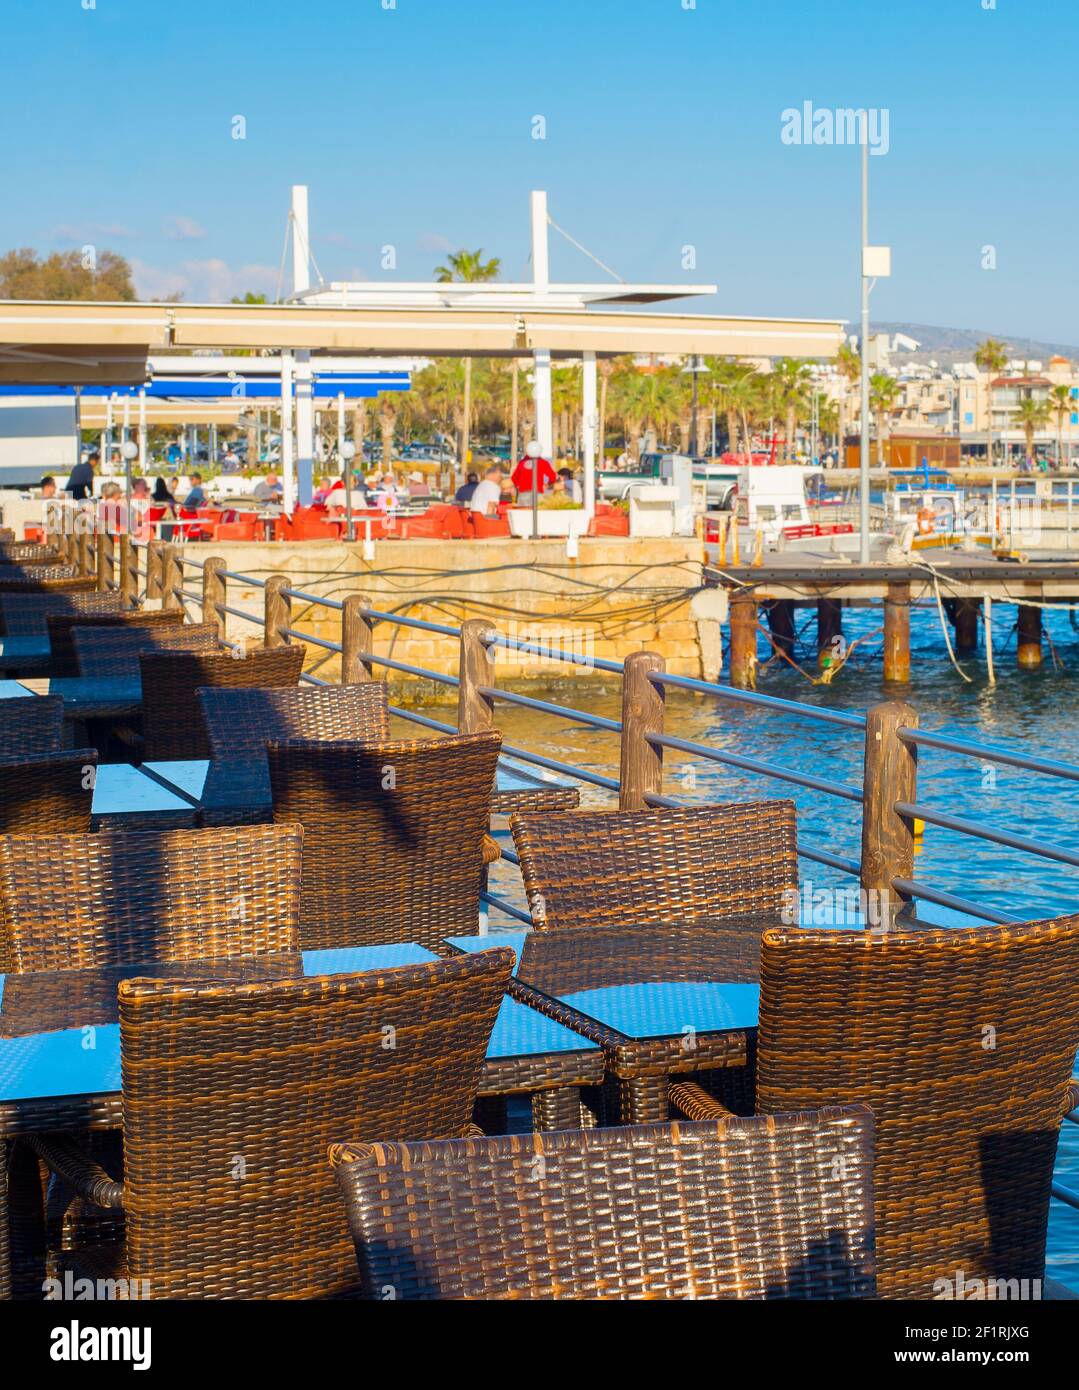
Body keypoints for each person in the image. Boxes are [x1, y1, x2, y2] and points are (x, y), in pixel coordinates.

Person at [511, 442, 556, 507]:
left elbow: (514, 478)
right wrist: (548, 485)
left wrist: (518, 485)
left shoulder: (521, 463)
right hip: (538, 493)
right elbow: (553, 476)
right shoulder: (543, 463)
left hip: (523, 494)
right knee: (538, 515)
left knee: (524, 513)